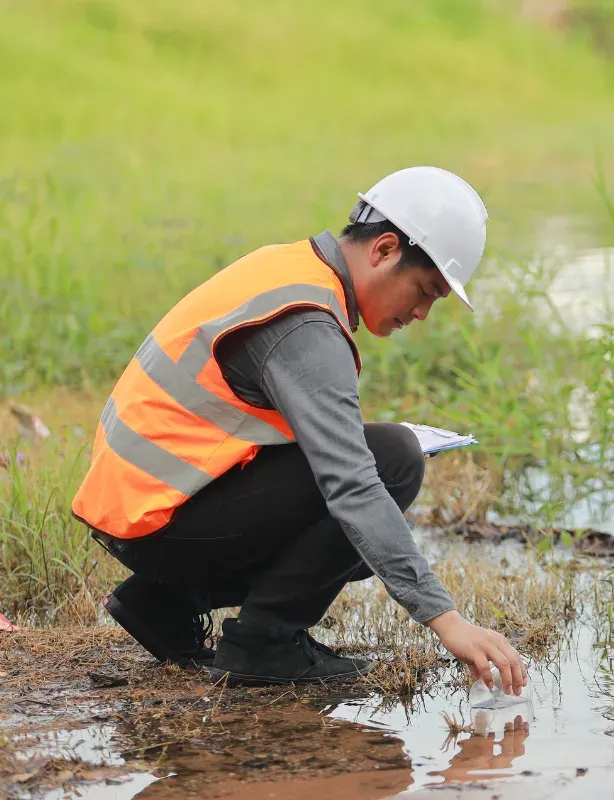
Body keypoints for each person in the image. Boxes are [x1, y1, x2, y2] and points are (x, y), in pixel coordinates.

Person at [71, 166, 528, 695]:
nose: (422, 313)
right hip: (157, 521)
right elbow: (351, 483)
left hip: (141, 508)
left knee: (366, 507)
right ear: (383, 250)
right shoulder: (307, 324)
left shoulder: (289, 269)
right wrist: (447, 620)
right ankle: (263, 644)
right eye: (425, 290)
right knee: (393, 461)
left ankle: (166, 603)